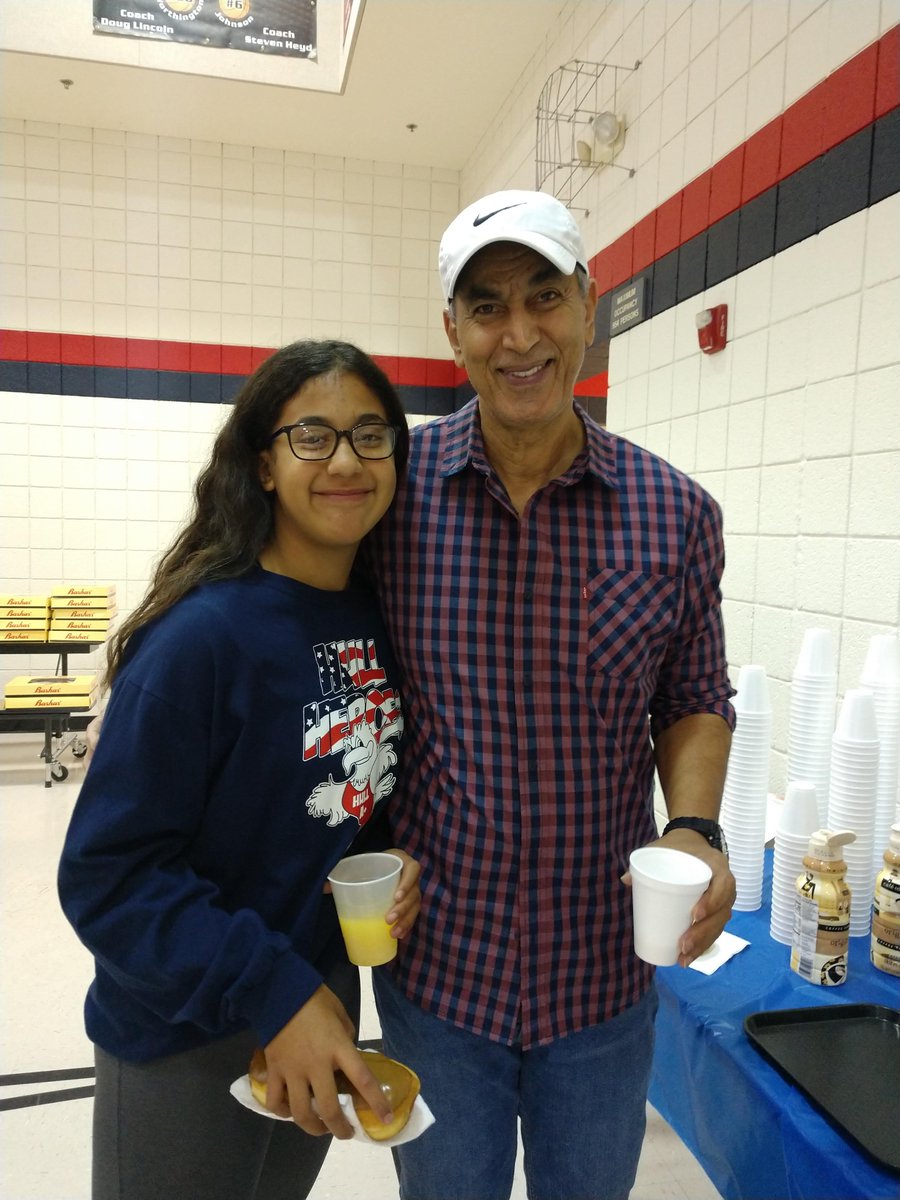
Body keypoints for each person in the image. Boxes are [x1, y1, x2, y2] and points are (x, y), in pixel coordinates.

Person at [364, 190, 736, 1200]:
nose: (519, 334)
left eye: (544, 296)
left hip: (601, 985)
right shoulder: (389, 498)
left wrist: (696, 825)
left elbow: (696, 694)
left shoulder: (674, 513)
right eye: (486, 306)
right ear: (452, 330)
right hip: (437, 971)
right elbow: (331, 684)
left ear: (590, 302)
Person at [57, 339, 421, 1200]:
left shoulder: (372, 616)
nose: (346, 460)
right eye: (312, 437)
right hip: (188, 1023)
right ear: (262, 464)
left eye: (372, 436)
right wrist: (276, 992)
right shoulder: (199, 640)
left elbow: (335, 792)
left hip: (313, 1006)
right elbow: (110, 875)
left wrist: (395, 855)